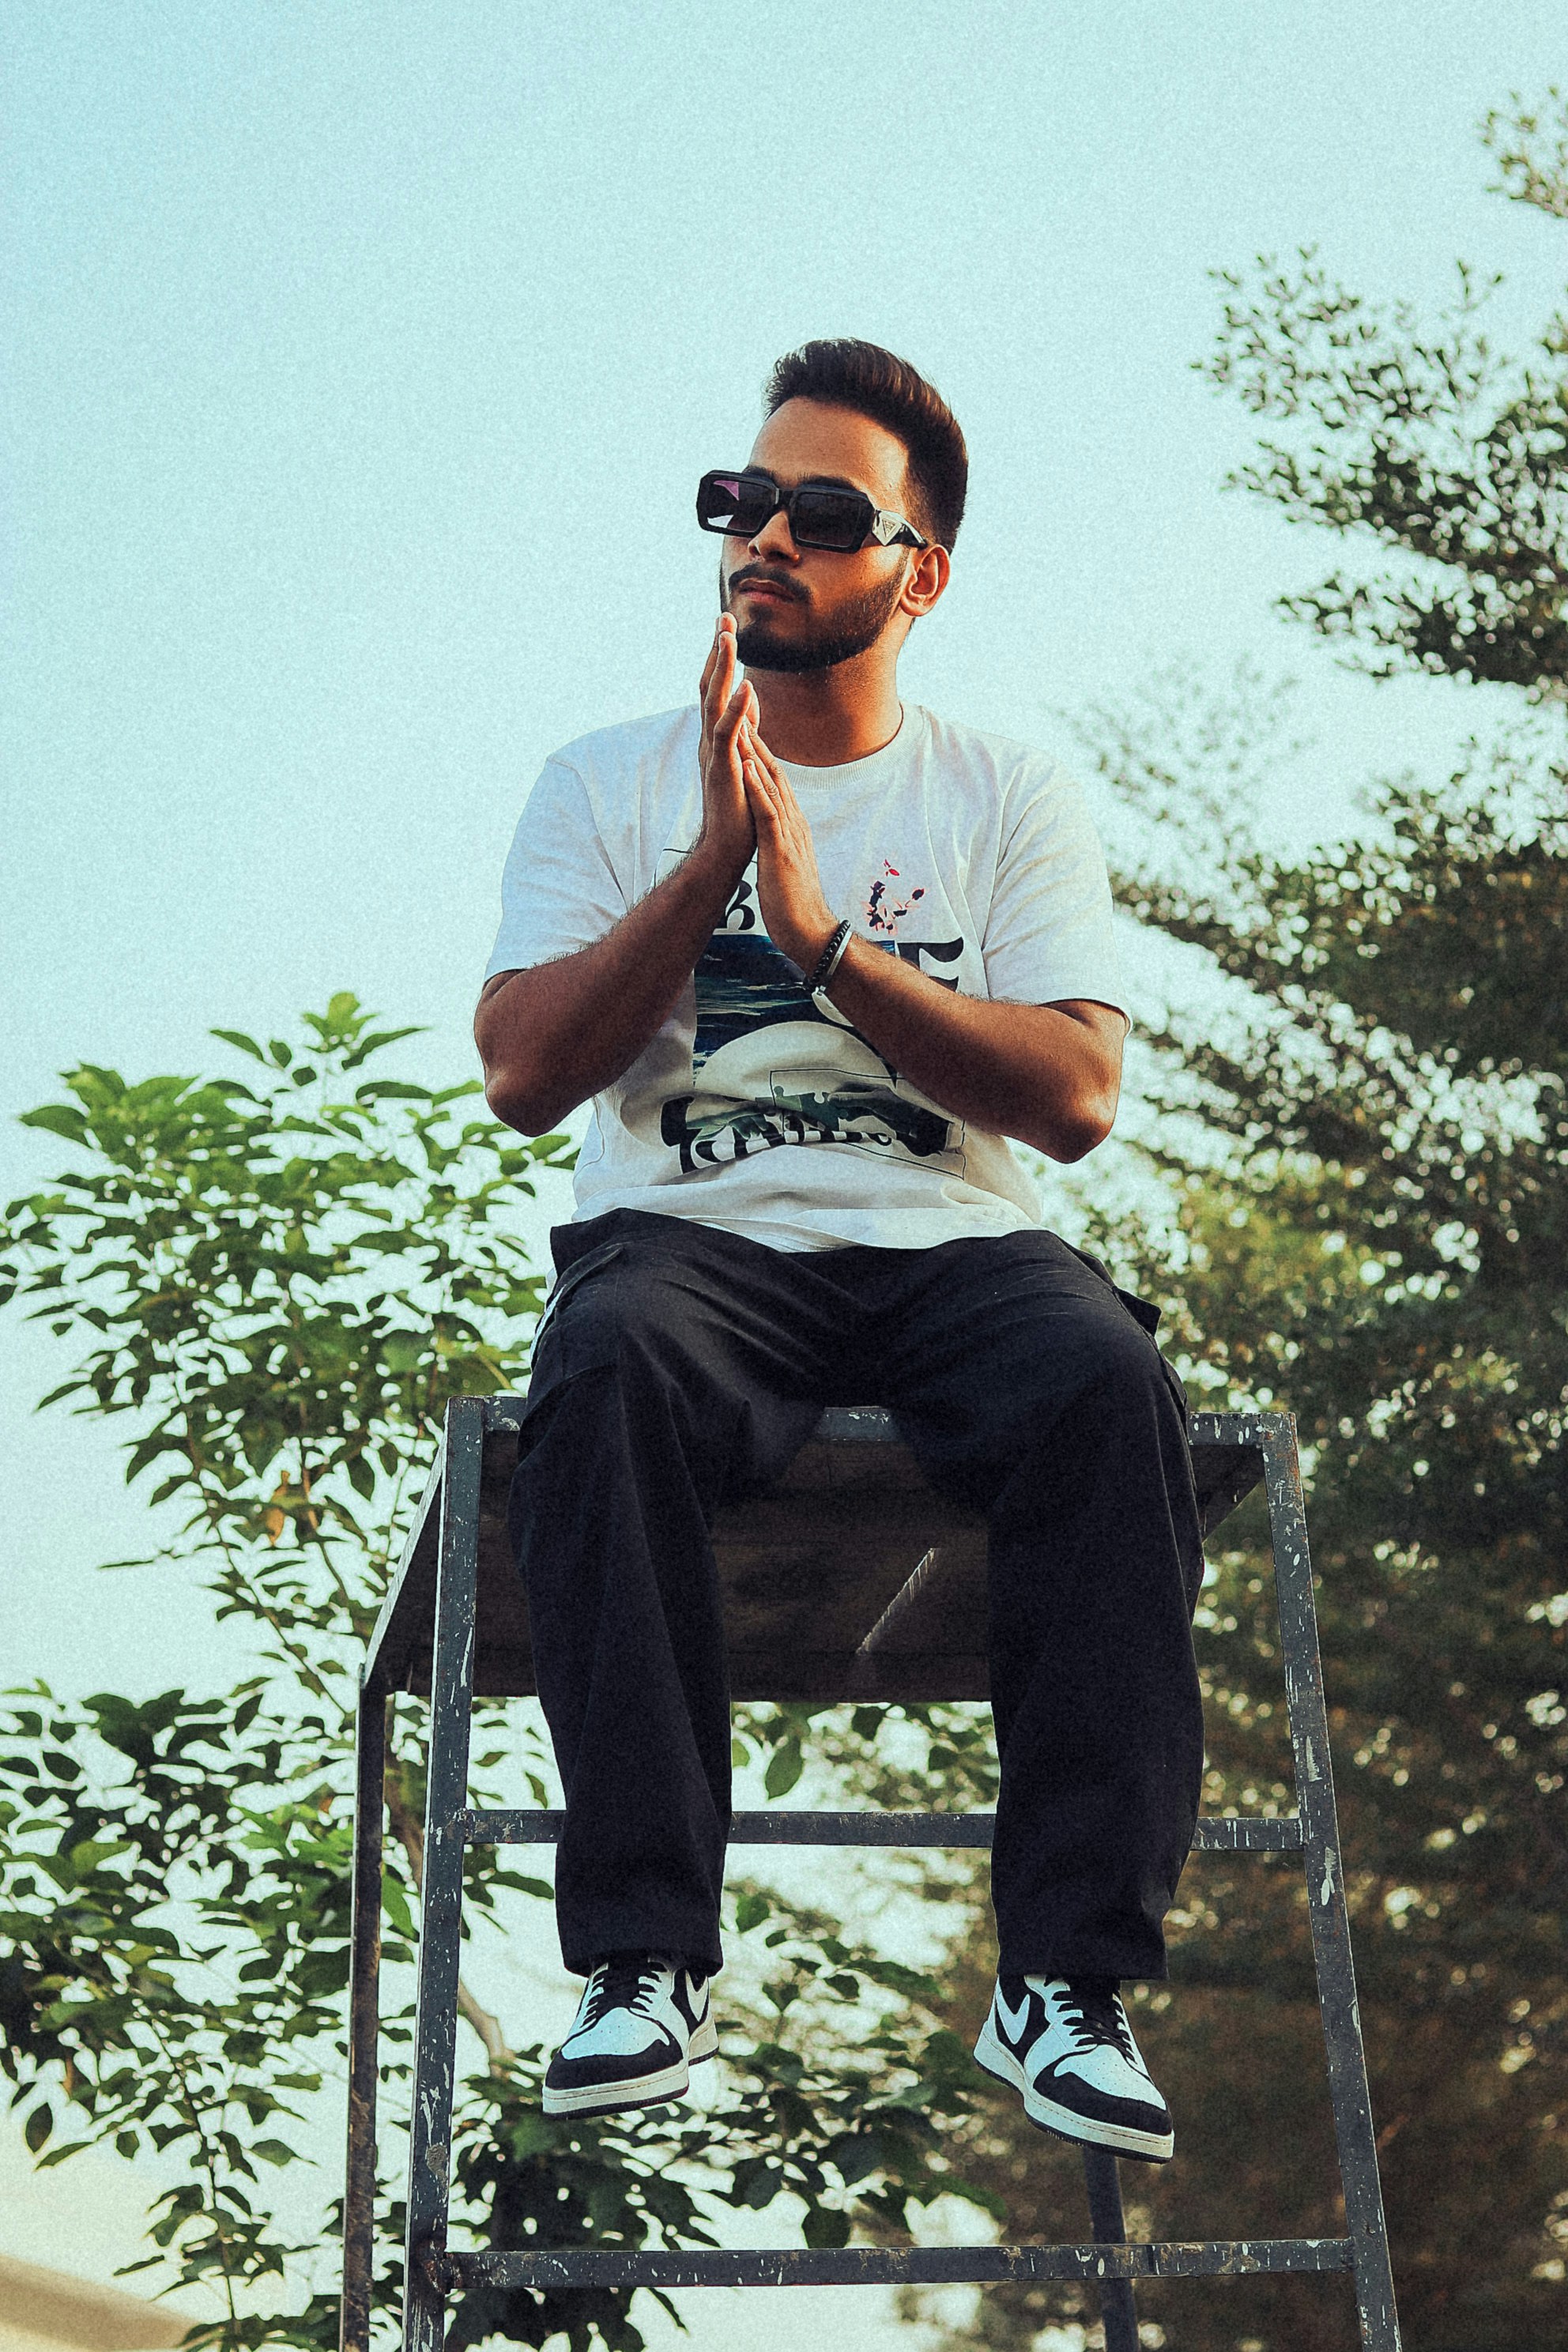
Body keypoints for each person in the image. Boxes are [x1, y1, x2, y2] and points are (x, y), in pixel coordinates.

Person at [474, 339, 1204, 2164]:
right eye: (739, 503)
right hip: (694, 1247)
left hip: (951, 1247)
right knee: (604, 1369)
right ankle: (642, 1956)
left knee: (1107, 1389)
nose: (762, 541)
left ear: (917, 569)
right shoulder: (600, 781)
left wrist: (816, 944)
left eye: (818, 513)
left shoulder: (1003, 789)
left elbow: (1076, 1094)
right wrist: (710, 861)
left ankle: (1062, 1984)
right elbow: (521, 1069)